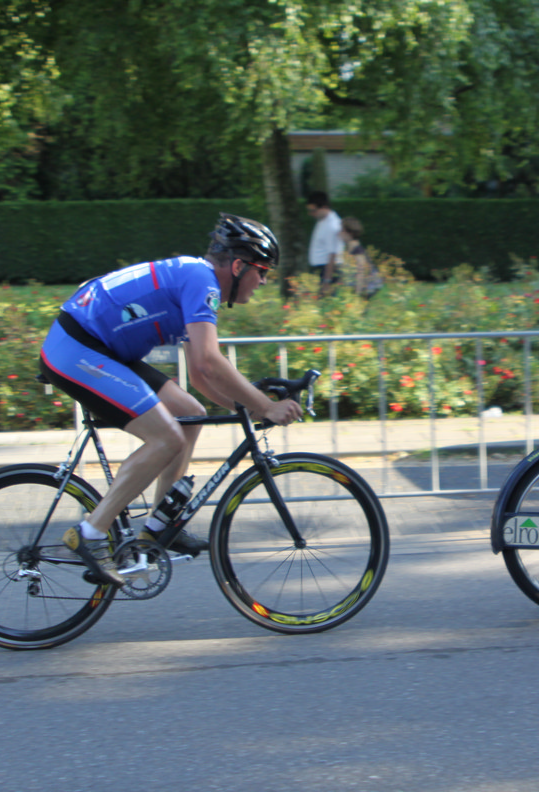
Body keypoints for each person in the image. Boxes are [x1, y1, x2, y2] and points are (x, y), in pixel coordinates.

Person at [39, 213, 303, 585]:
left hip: (100, 349)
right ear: (239, 266)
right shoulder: (202, 281)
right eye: (262, 271)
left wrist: (243, 409)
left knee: (189, 414)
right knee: (166, 437)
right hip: (77, 348)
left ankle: (159, 528)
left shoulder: (196, 279)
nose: (263, 281)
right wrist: (265, 405)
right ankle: (90, 533)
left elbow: (199, 373)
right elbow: (210, 360)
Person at [306, 191, 343, 296]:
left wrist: (327, 281)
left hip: (327, 269)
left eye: (313, 210)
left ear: (324, 207)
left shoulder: (332, 226)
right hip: (321, 268)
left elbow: (333, 255)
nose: (311, 214)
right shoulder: (323, 220)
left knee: (327, 300)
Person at [338, 216, 383, 298]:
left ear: (350, 233)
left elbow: (360, 273)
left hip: (367, 290)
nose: (339, 233)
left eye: (342, 230)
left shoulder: (358, 252)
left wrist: (357, 296)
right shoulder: (351, 249)